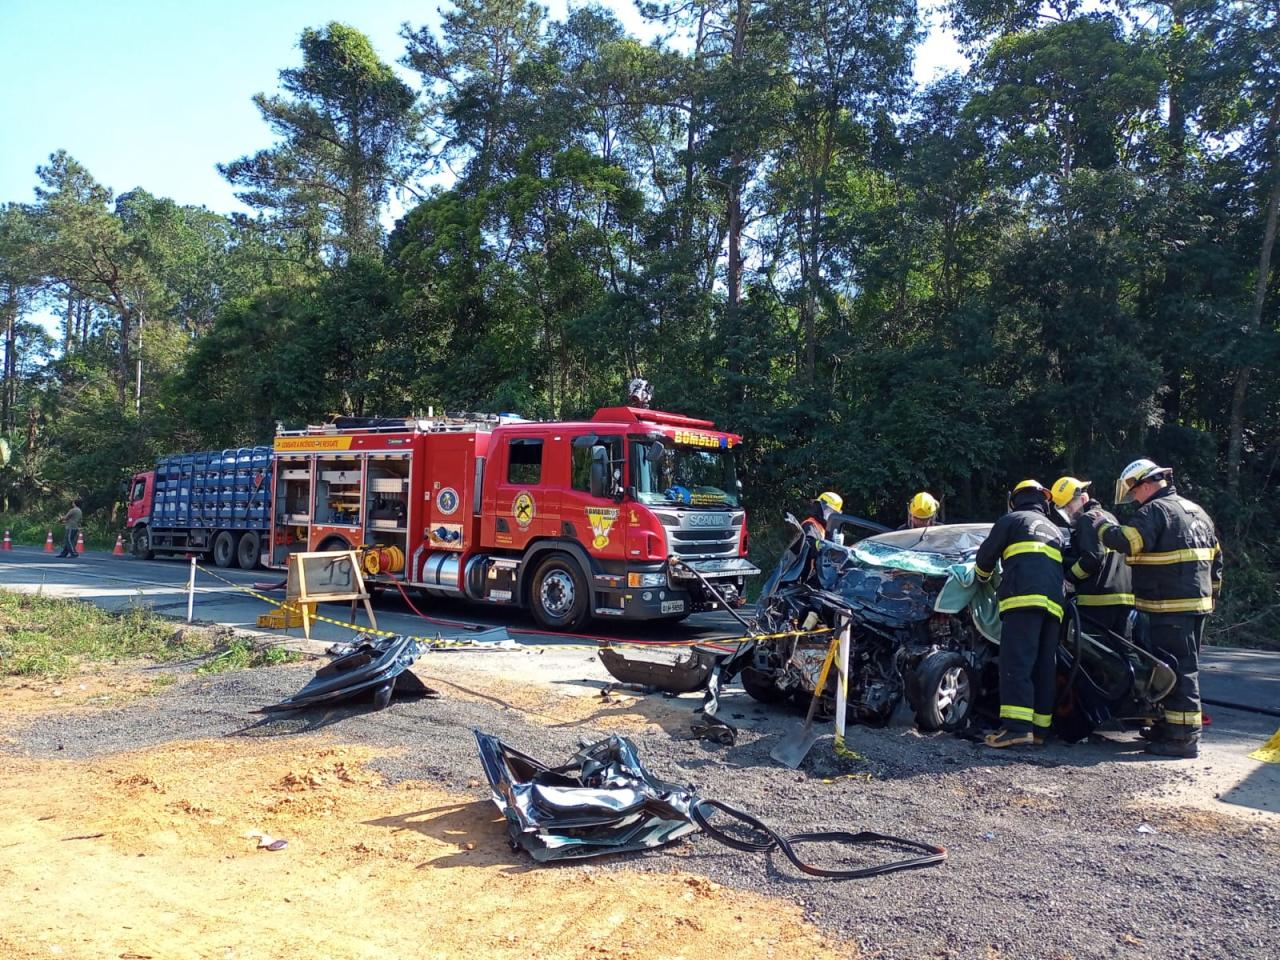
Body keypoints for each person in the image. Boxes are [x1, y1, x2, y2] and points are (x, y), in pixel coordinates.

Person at [1093, 459, 1222, 759]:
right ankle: (1169, 727)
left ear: (1147, 485)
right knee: (1172, 668)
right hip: (1193, 606)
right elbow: (1217, 564)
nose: (1134, 498)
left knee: (1178, 670)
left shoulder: (1154, 511)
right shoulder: (1197, 512)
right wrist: (1210, 600)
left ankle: (1184, 739)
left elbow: (1128, 541)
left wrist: (1101, 526)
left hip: (1169, 606)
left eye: (1135, 491)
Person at [974, 480, 1065, 748]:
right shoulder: (1055, 530)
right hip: (1054, 605)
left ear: (1014, 500)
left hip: (1023, 600)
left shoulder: (1011, 520)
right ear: (1043, 502)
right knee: (1044, 665)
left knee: (1017, 663)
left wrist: (981, 579)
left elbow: (985, 558)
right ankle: (1039, 730)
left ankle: (1016, 729)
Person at [1051, 476, 1133, 639]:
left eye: (1068, 507)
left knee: (1095, 656)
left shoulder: (1087, 519)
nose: (1067, 513)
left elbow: (1093, 558)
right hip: (1123, 598)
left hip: (1098, 601)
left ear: (1082, 499)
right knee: (1120, 651)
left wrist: (1069, 578)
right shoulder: (1108, 516)